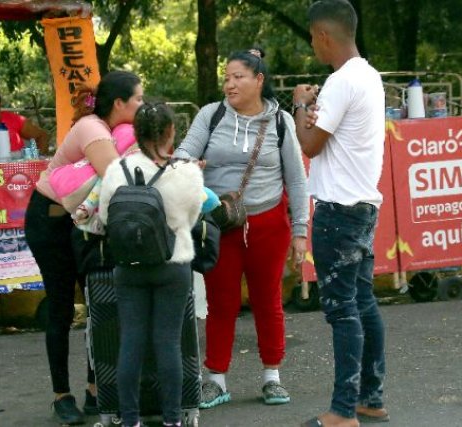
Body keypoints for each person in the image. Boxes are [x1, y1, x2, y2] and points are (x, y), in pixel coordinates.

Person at [174, 48, 309, 409]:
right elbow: (181, 154)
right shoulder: (211, 114)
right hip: (220, 224)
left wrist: (300, 230)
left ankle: (272, 377)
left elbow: (296, 180)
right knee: (221, 303)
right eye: (227, 77)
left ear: (259, 80)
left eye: (238, 77)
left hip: (268, 224)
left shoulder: (280, 121)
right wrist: (189, 164)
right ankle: (216, 380)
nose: (230, 83)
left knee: (269, 301)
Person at [24, 70, 143, 426]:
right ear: (119, 104)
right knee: (61, 308)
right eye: (138, 99)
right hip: (51, 223)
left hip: (84, 222)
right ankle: (62, 396)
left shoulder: (114, 131)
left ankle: (95, 390)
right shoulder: (93, 128)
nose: (142, 105)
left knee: (98, 304)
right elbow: (115, 175)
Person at [292, 1, 388, 426]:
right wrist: (314, 117)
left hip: (337, 211)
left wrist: (299, 106)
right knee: (363, 303)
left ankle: (343, 411)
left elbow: (310, 145)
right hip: (363, 206)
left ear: (324, 35)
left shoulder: (340, 82)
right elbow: (325, 134)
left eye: (313, 37)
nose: (313, 44)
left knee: (342, 309)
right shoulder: (369, 76)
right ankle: (371, 397)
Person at [98, 103, 204, 427]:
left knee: (130, 340)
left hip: (129, 265)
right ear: (171, 132)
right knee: (168, 342)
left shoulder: (117, 169)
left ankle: (130, 420)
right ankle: (172, 419)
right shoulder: (187, 172)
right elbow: (192, 218)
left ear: (137, 133)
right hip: (173, 265)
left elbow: (105, 218)